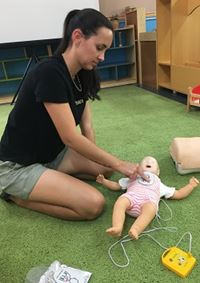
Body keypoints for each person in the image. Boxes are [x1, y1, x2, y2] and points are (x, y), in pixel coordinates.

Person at [0, 9, 143, 221]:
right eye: (99, 48)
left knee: (105, 170)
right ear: (77, 37)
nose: (102, 57)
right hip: (17, 166)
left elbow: (87, 128)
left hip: (52, 154)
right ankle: (14, 195)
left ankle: (51, 181)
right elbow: (70, 137)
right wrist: (120, 163)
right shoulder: (49, 73)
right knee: (93, 205)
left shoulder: (81, 74)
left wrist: (100, 165)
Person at [96, 156, 199, 239]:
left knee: (151, 208)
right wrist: (104, 182)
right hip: (130, 199)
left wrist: (190, 186)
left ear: (158, 172)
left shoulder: (159, 184)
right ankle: (117, 227)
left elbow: (178, 194)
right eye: (144, 161)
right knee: (121, 201)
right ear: (138, 168)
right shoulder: (133, 177)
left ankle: (136, 229)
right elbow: (116, 186)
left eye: (153, 162)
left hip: (146, 204)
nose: (148, 160)